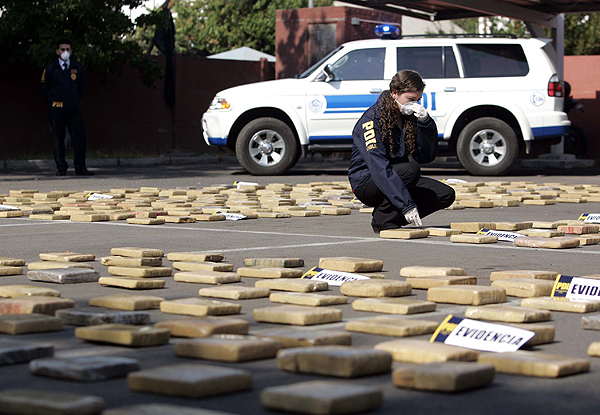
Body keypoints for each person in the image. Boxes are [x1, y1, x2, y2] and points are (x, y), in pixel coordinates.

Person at [348, 69, 455, 233]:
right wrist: (406, 204)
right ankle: (383, 219)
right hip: (368, 181)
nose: (415, 104)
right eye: (411, 99)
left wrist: (426, 123)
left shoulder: (409, 117)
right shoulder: (371, 121)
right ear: (395, 93)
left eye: (418, 100)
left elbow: (425, 156)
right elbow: (379, 167)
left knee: (445, 194)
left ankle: (392, 218)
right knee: (411, 170)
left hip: (399, 175)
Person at [40, 38, 94, 176]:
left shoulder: (77, 68)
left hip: (73, 108)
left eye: (68, 49)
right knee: (58, 138)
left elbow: (81, 88)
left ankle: (80, 167)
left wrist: (74, 100)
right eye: (62, 49)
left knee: (79, 137)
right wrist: (53, 102)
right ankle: (61, 167)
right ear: (57, 51)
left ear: (71, 51)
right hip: (56, 108)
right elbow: (44, 89)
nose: (65, 52)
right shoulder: (51, 69)